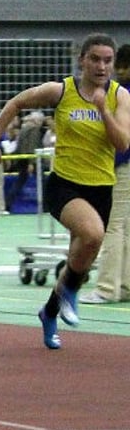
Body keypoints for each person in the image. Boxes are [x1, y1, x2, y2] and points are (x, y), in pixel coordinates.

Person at [0, 33, 130, 350]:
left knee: (81, 255)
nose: (101, 66)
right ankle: (70, 292)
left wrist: (103, 110)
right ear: (82, 59)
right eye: (95, 59)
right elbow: (16, 103)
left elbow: (122, 143)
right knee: (92, 235)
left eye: (108, 60)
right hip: (65, 184)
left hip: (102, 187)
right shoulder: (61, 90)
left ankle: (49, 312)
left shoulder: (120, 97)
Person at [81, 44, 130, 304]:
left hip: (122, 165)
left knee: (112, 226)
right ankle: (125, 286)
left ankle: (107, 287)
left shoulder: (121, 93)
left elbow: (121, 138)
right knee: (128, 228)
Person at [5, 110, 44, 212]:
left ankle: (8, 203)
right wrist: (32, 163)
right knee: (43, 181)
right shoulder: (34, 129)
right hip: (31, 159)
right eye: (41, 121)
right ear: (37, 120)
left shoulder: (24, 128)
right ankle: (46, 205)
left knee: (20, 181)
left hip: (22, 158)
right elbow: (32, 145)